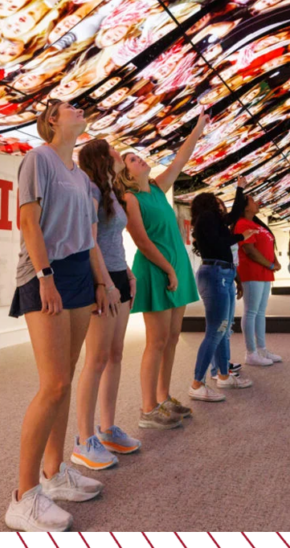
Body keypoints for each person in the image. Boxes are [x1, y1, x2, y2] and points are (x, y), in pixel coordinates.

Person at [5, 100, 114, 532]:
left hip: (78, 277)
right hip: (44, 273)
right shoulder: (38, 159)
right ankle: (23, 496)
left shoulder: (83, 178)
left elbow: (89, 241)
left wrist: (102, 283)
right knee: (52, 384)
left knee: (65, 378)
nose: (80, 110)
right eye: (71, 107)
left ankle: (54, 473)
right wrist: (44, 275)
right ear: (52, 119)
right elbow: (29, 224)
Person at [119, 112, 208, 428]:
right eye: (132, 159)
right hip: (157, 269)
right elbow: (141, 241)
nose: (139, 159)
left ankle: (163, 396)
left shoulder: (156, 188)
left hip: (175, 267)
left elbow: (181, 159)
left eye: (138, 156)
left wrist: (197, 127)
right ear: (125, 172)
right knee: (156, 341)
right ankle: (148, 409)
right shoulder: (129, 198)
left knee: (171, 338)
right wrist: (169, 270)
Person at [70, 140, 141, 472]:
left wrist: (126, 273)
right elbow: (90, 242)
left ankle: (108, 429)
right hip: (102, 280)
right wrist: (105, 283)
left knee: (115, 354)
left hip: (118, 275)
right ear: (102, 157)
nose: (119, 153)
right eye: (113, 150)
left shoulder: (111, 190)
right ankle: (84, 440)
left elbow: (113, 241)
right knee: (96, 359)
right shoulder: (92, 191)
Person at [189, 193, 256, 402]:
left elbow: (232, 217)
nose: (222, 206)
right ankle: (197, 383)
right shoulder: (207, 218)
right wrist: (240, 236)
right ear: (209, 203)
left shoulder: (211, 219)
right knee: (216, 330)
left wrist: (239, 189)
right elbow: (221, 243)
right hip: (215, 275)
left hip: (223, 273)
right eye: (218, 201)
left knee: (223, 329)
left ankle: (224, 375)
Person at [232, 182, 282, 367]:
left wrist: (274, 261)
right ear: (245, 205)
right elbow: (250, 250)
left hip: (264, 272)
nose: (257, 202)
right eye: (253, 200)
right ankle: (250, 352)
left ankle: (261, 349)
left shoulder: (256, 224)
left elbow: (267, 244)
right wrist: (270, 264)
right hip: (252, 272)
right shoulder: (242, 223)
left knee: (260, 312)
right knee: (251, 312)